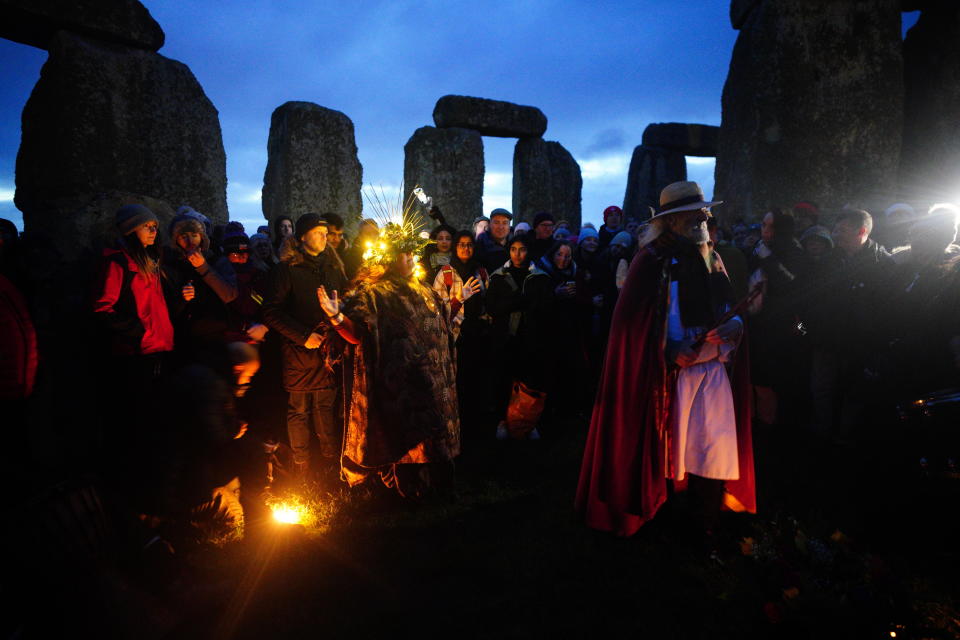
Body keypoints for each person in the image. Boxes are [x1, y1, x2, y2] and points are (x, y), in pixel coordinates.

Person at [576, 181, 756, 538]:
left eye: (705, 210)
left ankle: (705, 522)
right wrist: (670, 351)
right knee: (674, 451)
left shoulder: (711, 257)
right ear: (672, 220)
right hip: (669, 377)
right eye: (696, 212)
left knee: (711, 446)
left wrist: (734, 325)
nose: (705, 216)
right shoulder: (651, 261)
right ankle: (668, 519)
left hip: (713, 370)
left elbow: (728, 306)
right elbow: (630, 326)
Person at [319, 215, 460, 496]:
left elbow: (440, 330)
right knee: (401, 437)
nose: (408, 260)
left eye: (411, 254)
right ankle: (399, 486)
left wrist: (455, 306)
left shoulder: (426, 292)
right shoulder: (375, 294)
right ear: (389, 259)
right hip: (398, 384)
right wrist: (336, 318)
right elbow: (359, 334)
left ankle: (434, 484)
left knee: (431, 434)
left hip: (431, 383)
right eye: (402, 255)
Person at [261, 214, 348, 476]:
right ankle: (302, 468)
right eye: (318, 231)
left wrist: (342, 310)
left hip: (329, 352)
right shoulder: (286, 269)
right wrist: (302, 336)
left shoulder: (333, 266)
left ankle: (331, 465)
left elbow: (344, 300)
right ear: (301, 237)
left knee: (325, 407)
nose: (324, 236)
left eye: (325, 231)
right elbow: (271, 311)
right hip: (299, 353)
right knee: (299, 410)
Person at [806, 209, 894, 438]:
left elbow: (887, 309)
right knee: (822, 389)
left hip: (861, 344)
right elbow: (811, 299)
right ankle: (822, 435)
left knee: (854, 393)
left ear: (861, 231)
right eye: (835, 229)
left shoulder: (883, 264)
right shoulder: (827, 262)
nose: (834, 234)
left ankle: (848, 439)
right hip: (826, 340)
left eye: (841, 230)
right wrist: (807, 331)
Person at [747, 208, 810, 425]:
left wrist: (768, 259)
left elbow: (791, 283)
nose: (764, 230)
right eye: (763, 224)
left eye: (770, 225)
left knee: (769, 381)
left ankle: (770, 428)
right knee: (755, 380)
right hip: (759, 323)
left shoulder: (794, 251)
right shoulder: (762, 248)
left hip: (779, 327)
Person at [486, 235, 548, 440]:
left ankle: (526, 421)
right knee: (502, 379)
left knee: (528, 380)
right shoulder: (498, 276)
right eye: (513, 249)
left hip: (530, 336)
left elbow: (543, 307)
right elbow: (493, 307)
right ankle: (502, 420)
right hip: (505, 337)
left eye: (522, 249)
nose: (517, 254)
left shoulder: (539, 277)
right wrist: (517, 301)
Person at [162, 214, 239, 359]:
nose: (190, 241)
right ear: (175, 240)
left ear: (202, 237)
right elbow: (164, 307)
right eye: (183, 236)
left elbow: (229, 295)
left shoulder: (217, 260)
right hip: (183, 338)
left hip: (216, 335)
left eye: (194, 235)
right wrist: (182, 298)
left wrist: (203, 267)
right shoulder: (170, 266)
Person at [476, 208, 513, 273]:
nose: (501, 227)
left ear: (509, 226)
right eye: (496, 222)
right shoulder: (480, 245)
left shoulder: (515, 243)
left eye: (505, 223)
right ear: (490, 224)